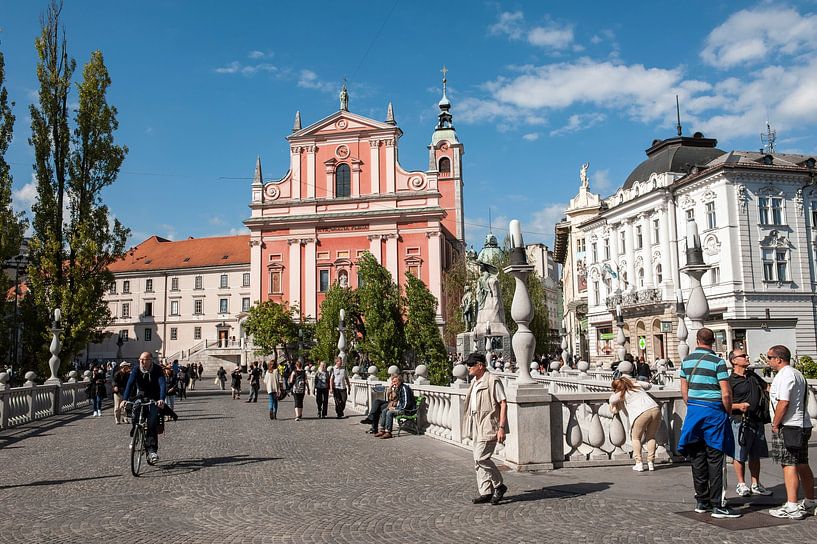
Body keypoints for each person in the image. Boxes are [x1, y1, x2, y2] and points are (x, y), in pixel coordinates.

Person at [677, 328, 740, 518]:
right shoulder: (718, 362)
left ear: (697, 340)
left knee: (697, 457)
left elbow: (684, 391)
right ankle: (718, 505)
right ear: (713, 341)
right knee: (715, 458)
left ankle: (701, 501)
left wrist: (695, 406)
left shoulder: (686, 361)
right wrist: (727, 411)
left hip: (694, 412)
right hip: (714, 413)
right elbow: (726, 393)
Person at [766, 345, 816, 519]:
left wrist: (775, 423)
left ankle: (792, 505)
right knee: (802, 463)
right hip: (802, 424)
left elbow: (783, 402)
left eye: (770, 357)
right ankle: (810, 501)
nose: (768, 360)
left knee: (789, 465)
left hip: (789, 426)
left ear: (779, 359)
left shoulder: (785, 375)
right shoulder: (796, 373)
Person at [462, 352, 507, 506]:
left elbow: (503, 403)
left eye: (470, 365)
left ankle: (499, 485)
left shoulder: (492, 380)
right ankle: (485, 492)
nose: (468, 368)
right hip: (475, 422)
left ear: (480, 365)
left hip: (489, 422)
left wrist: (501, 427)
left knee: (482, 457)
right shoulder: (475, 382)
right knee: (477, 460)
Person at [726, 348, 772, 498]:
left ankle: (755, 484)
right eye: (743, 356)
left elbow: (767, 387)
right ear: (734, 361)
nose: (747, 357)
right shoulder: (730, 381)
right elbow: (724, 404)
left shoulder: (752, 375)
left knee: (755, 454)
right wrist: (738, 406)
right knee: (739, 454)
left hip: (756, 420)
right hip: (739, 421)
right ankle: (741, 484)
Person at [120, 352, 166, 464]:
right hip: (141, 395)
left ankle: (152, 451)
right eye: (140, 359)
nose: (141, 361)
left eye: (144, 359)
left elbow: (162, 384)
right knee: (135, 412)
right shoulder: (136, 369)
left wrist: (161, 399)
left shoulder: (157, 369)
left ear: (150, 360)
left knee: (152, 423)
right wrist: (125, 399)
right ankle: (135, 434)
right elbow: (130, 384)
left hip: (154, 398)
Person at [609, 376, 661, 471]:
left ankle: (639, 463)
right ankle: (651, 463)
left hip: (641, 413)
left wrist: (616, 393)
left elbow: (612, 400)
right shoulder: (636, 386)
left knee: (636, 438)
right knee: (651, 437)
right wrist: (634, 382)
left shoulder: (622, 394)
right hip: (655, 408)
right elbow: (648, 385)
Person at [373, 375, 415, 439]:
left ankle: (388, 432)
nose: (394, 383)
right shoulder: (398, 388)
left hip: (407, 410)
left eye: (395, 381)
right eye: (393, 382)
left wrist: (396, 408)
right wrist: (391, 388)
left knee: (389, 412)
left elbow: (406, 404)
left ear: (400, 381)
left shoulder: (404, 388)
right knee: (384, 411)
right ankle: (382, 430)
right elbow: (390, 398)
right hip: (401, 408)